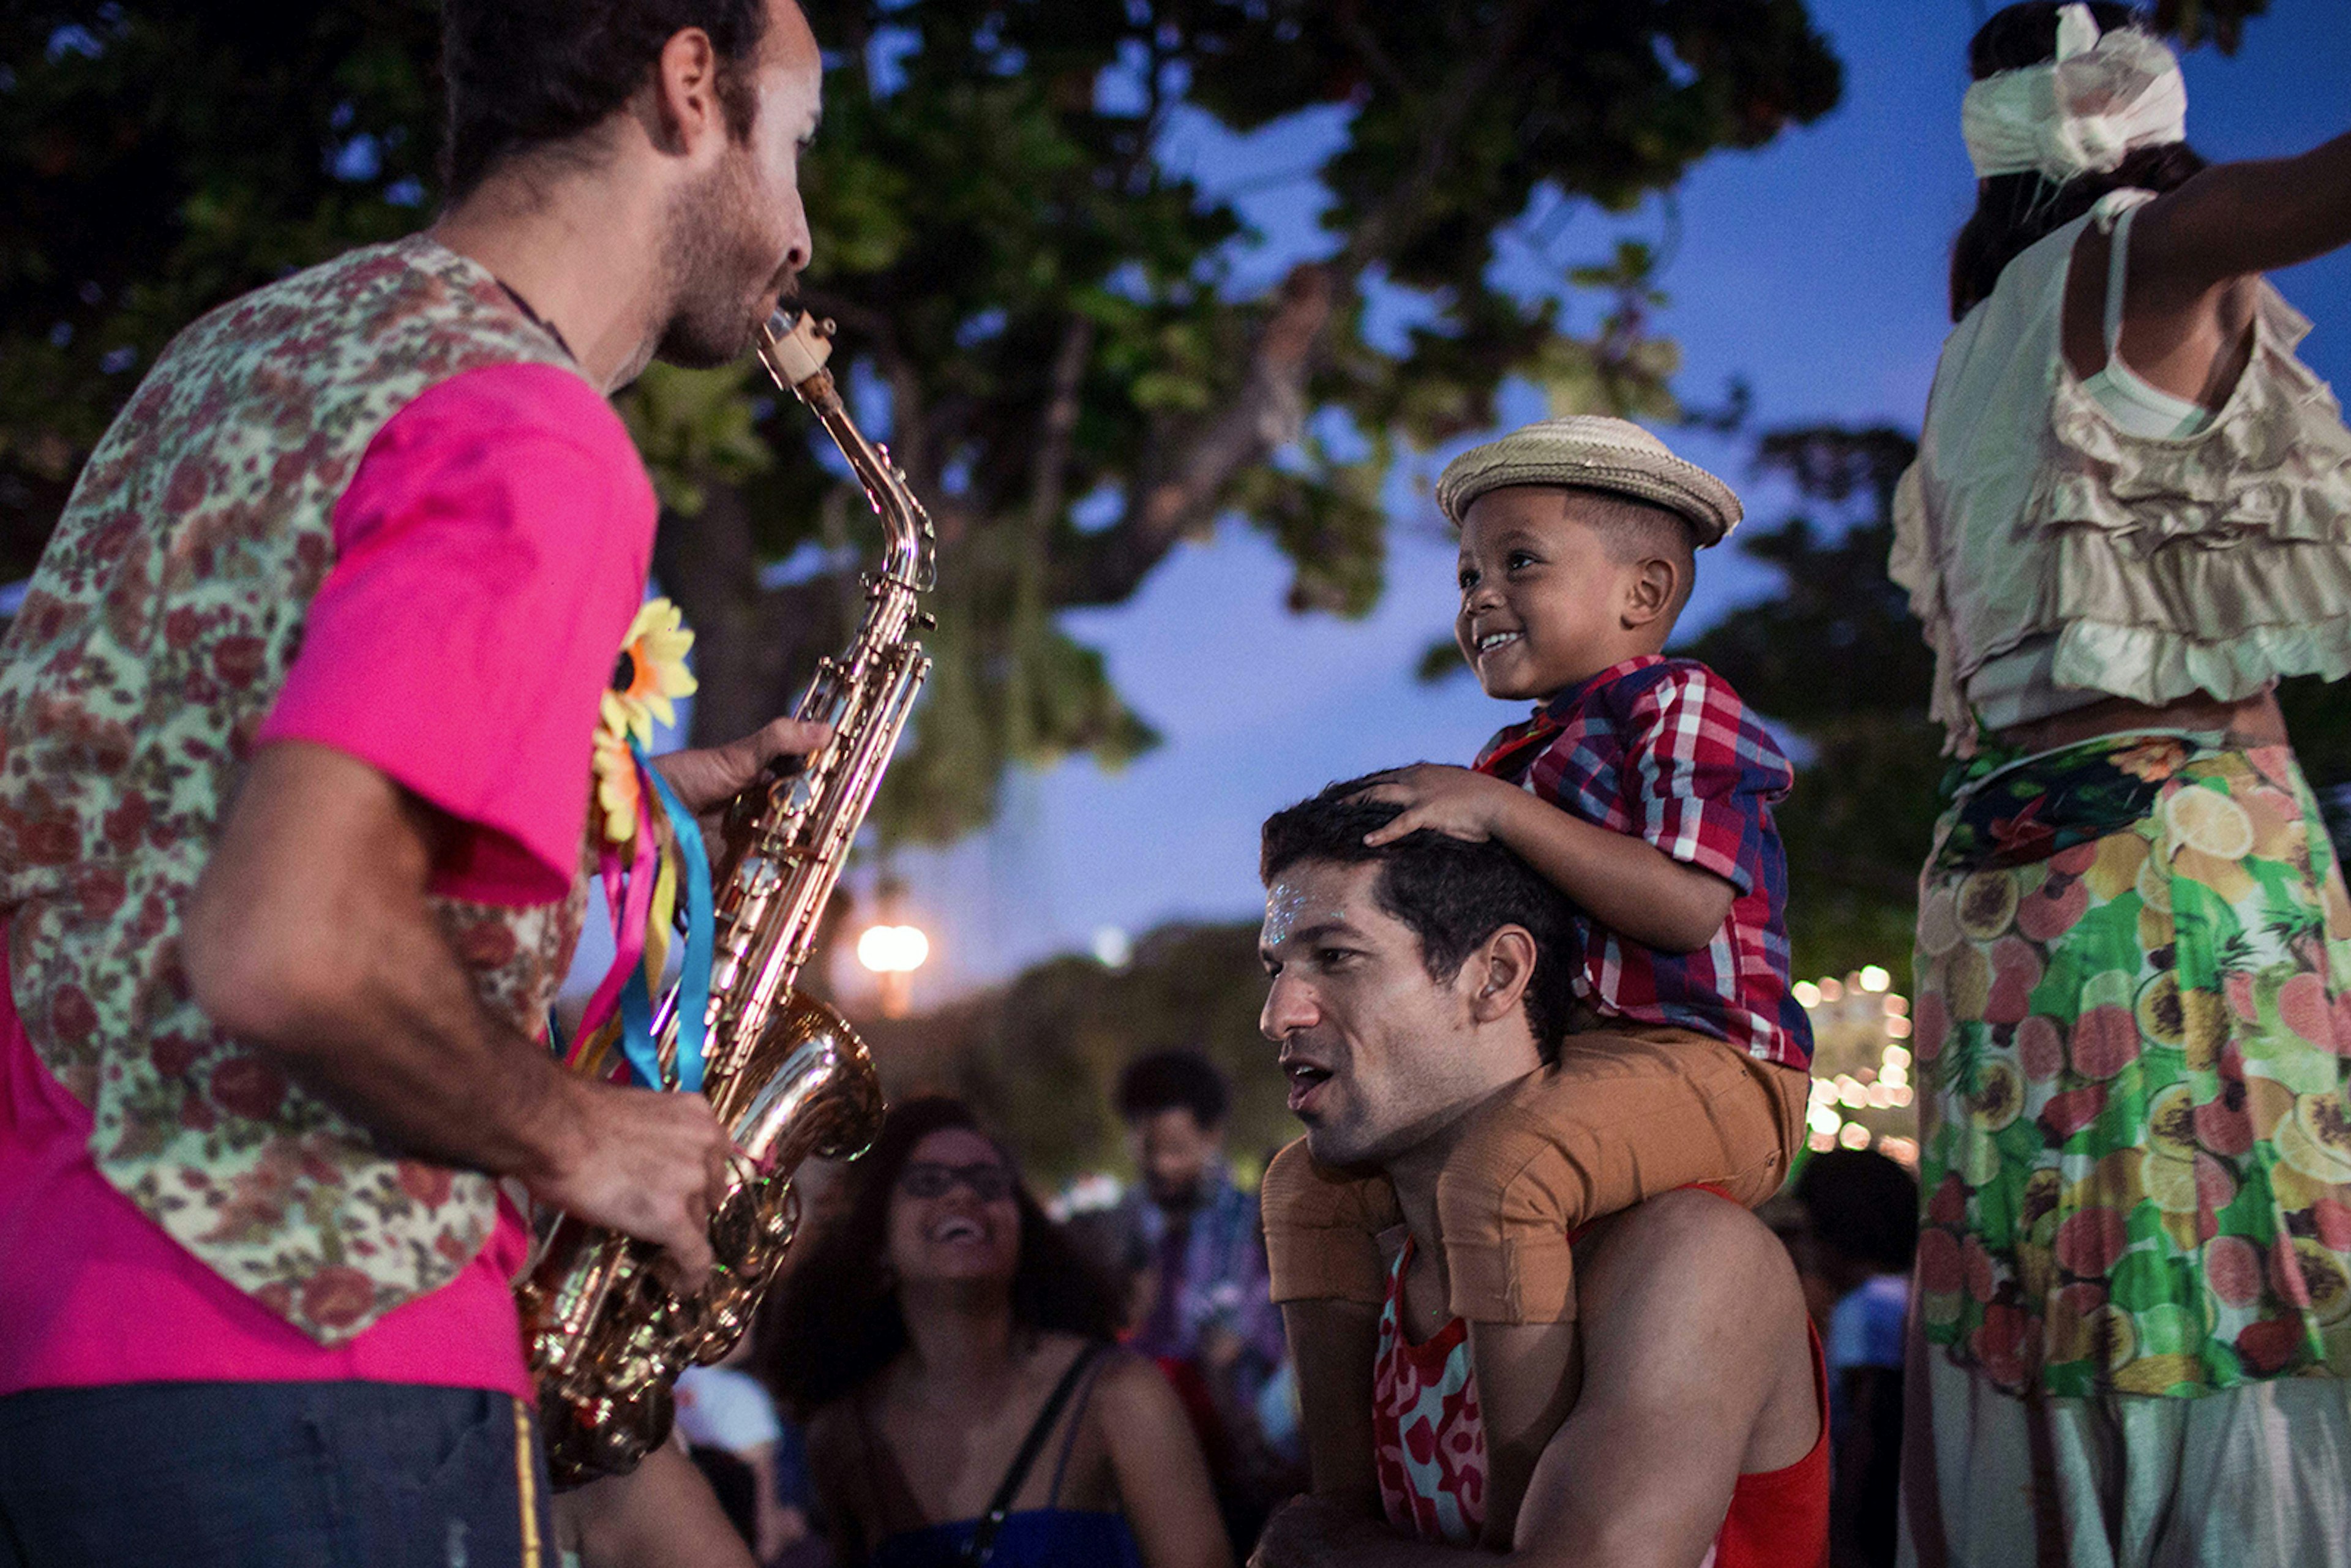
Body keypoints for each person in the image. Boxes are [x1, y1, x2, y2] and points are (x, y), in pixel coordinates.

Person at [0, 2, 829, 1561]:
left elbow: (146, 808)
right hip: (311, 1358)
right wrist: (579, 1131)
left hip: (59, 1348)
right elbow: (286, 939)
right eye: (795, 151)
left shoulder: (240, 351)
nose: (800, 232)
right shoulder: (533, 425)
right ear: (690, 84)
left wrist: (632, 812)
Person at [1888, 3, 2351, 1562]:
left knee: (2034, 1298)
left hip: (1987, 882)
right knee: (2217, 1270)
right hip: (2167, 863)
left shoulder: (1975, 341)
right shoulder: (2151, 247)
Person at [1262, 415, 1814, 1544]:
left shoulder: (1675, 706)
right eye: (1469, 571)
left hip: (1715, 1062)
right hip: (1603, 1067)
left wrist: (1502, 813)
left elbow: (1688, 900)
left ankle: (1515, 1510)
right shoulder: (1516, 759)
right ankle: (1344, 1491)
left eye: (1519, 561)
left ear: (1646, 591)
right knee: (1301, 1186)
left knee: (1506, 1175)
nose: (1479, 595)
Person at [1248, 781, 1827, 1567]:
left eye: (1337, 958)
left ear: (1496, 974)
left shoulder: (1688, 1254)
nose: (1279, 1015)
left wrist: (1335, 1553)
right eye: (1275, 968)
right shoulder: (1370, 1266)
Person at [763, 1097, 1232, 1568]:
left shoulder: (1119, 1394)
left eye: (989, 1183)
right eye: (928, 1182)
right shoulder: (846, 1437)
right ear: (879, 1240)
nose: (962, 1196)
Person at [1792, 1149, 1917, 1568]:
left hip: (1867, 1522)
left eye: (1806, 1231)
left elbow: (1867, 1429)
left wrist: (1843, 1537)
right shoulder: (1907, 1295)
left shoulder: (1862, 1308)